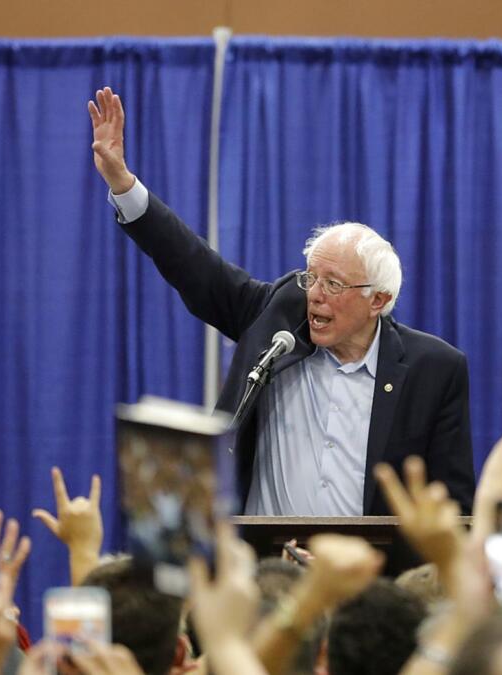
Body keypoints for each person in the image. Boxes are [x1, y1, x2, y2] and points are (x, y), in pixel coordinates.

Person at [88, 86, 475, 516]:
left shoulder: (434, 369)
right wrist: (124, 185)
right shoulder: (279, 318)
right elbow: (192, 264)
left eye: (333, 284)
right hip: (266, 567)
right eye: (312, 277)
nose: (315, 295)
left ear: (377, 300)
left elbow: (452, 504)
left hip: (365, 572)